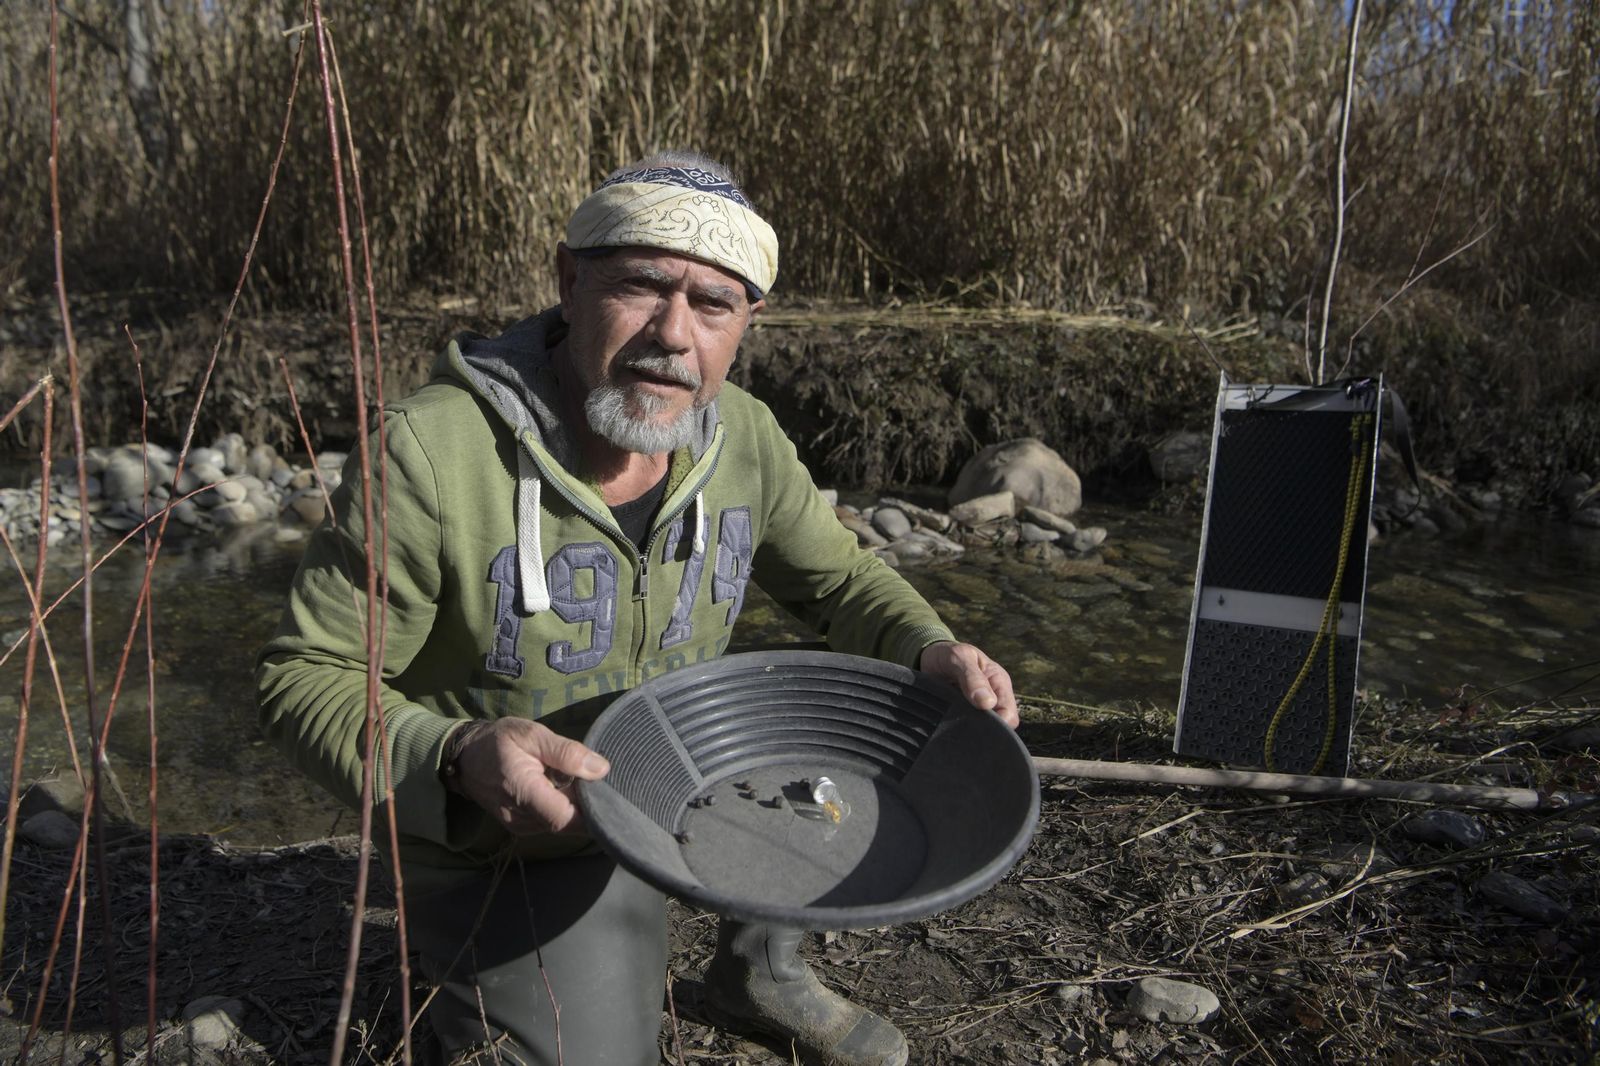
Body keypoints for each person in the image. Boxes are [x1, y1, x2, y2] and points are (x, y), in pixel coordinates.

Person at [257, 150, 1018, 1066]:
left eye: (712, 305)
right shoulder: (430, 453)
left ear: (748, 322)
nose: (673, 334)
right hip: (525, 834)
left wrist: (930, 648)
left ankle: (757, 970)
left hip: (690, 783)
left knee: (825, 710)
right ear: (569, 282)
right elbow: (308, 678)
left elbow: (840, 582)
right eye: (642, 287)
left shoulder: (747, 437)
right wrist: (458, 758)